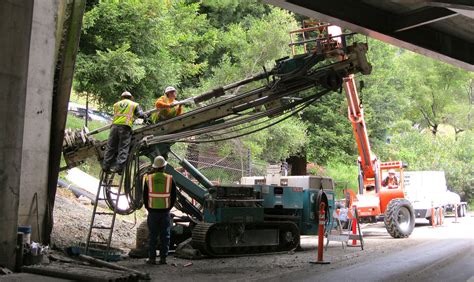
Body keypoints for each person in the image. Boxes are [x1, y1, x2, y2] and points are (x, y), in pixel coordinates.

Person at [143, 156, 177, 265]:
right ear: (164, 166)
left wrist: (149, 208)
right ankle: (163, 259)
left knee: (152, 235)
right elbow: (174, 196)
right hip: (165, 212)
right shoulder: (169, 179)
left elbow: (145, 197)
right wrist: (168, 207)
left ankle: (152, 259)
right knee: (165, 235)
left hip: (152, 212)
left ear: (154, 167)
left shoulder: (148, 179)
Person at [102, 91, 147, 174]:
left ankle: (105, 166)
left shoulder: (116, 104)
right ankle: (119, 168)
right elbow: (140, 114)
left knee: (110, 147)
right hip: (125, 127)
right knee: (123, 147)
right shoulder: (134, 104)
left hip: (114, 127)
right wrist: (146, 117)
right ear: (131, 97)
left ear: (122, 97)